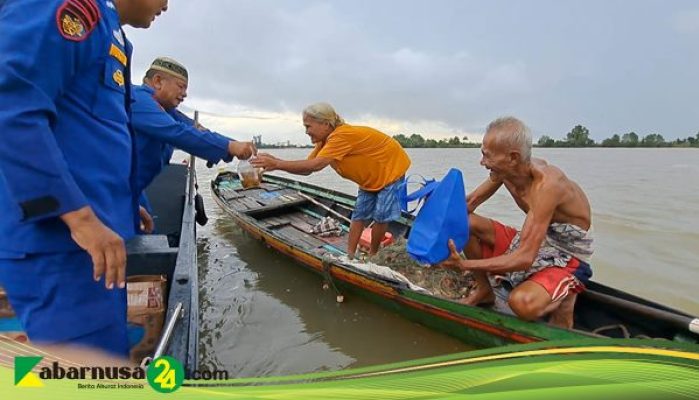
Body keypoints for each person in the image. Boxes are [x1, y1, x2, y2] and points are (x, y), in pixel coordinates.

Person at [0, 0, 168, 356]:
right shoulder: (68, 9)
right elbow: (12, 110)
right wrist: (79, 217)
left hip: (95, 245)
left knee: (103, 356)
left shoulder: (112, 32)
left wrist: (127, 201)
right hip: (61, 245)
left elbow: (94, 132)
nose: (166, 6)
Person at [440, 117, 593, 328]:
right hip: (534, 237)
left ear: (513, 157)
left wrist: (464, 264)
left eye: (487, 155)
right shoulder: (505, 171)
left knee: (521, 304)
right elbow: (470, 203)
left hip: (565, 253)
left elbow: (524, 258)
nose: (482, 162)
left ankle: (566, 298)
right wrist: (435, 227)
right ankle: (485, 290)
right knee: (464, 223)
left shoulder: (548, 185)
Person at [252, 102, 411, 258]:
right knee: (359, 213)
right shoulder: (325, 141)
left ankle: (374, 255)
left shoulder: (341, 135)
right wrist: (276, 162)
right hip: (370, 178)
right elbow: (307, 169)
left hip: (391, 170)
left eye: (308, 126)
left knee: (381, 215)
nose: (306, 131)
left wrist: (277, 164)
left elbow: (315, 165)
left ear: (326, 124)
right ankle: (349, 255)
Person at [131, 56, 256, 211]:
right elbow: (178, 133)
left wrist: (235, 144)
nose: (184, 94)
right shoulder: (136, 100)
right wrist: (229, 146)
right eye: (181, 86)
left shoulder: (166, 110)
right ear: (158, 81)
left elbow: (196, 130)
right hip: (112, 188)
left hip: (133, 190)